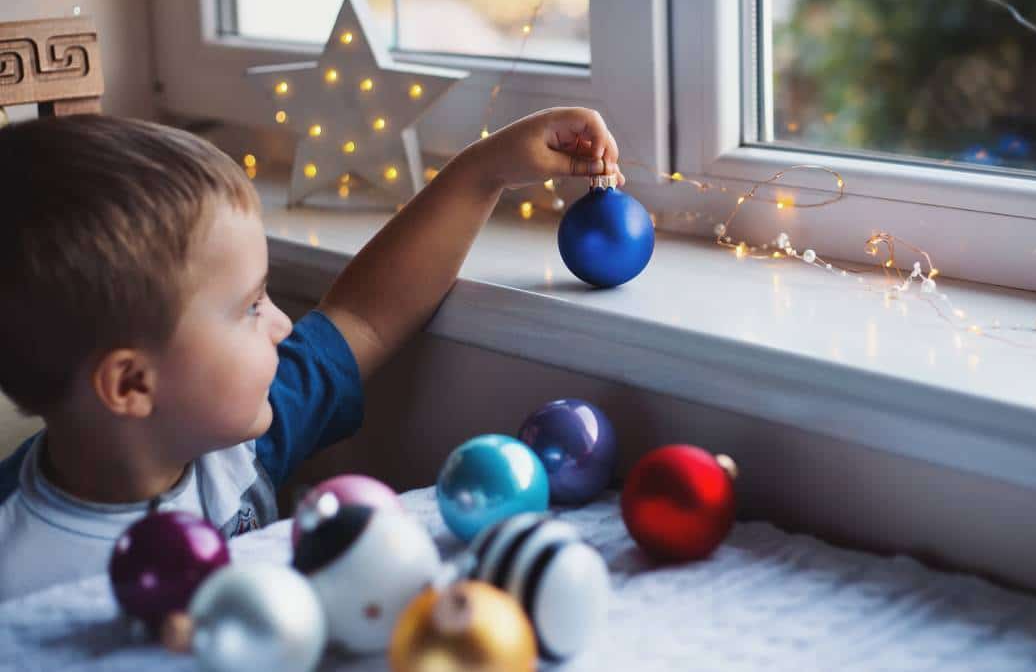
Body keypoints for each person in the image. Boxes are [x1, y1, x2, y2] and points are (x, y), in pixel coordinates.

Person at [0, 108, 623, 601]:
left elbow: (365, 314)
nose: (282, 323)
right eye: (250, 308)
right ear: (132, 383)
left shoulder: (241, 438)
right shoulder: (17, 563)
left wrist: (486, 170)